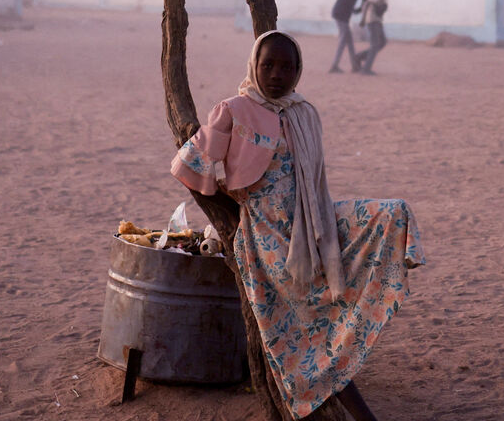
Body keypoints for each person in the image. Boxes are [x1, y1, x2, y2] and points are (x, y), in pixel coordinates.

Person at [171, 31, 424, 420]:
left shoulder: (303, 111)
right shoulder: (234, 110)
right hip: (267, 235)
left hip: (313, 220)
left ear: (298, 70)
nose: (277, 74)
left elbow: (316, 180)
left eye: (287, 66)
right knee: (311, 331)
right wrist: (231, 202)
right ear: (254, 65)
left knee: (392, 212)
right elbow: (188, 166)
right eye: (268, 64)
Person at [328, 0, 368, 73]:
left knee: (349, 42)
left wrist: (357, 9)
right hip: (342, 16)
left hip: (339, 13)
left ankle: (355, 66)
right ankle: (334, 66)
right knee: (342, 41)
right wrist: (359, 9)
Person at [354, 0, 392, 75]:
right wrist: (363, 19)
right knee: (375, 44)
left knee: (382, 42)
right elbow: (367, 3)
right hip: (372, 19)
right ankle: (366, 69)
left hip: (377, 19)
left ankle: (359, 56)